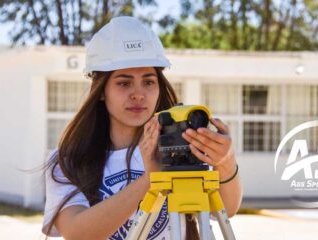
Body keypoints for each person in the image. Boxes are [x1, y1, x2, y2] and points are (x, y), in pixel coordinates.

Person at [42, 16, 242, 240]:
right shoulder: (69, 161)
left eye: (148, 82)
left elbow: (225, 209)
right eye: (124, 83)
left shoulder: (182, 143)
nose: (138, 94)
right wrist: (150, 179)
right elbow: (77, 233)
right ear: (100, 91)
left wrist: (225, 161)